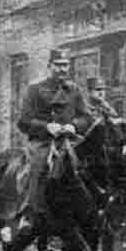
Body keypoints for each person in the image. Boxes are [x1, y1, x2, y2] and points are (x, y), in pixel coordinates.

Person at [17, 48, 93, 222]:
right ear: (49, 66)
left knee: (92, 162)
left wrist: (73, 125)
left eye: (65, 65)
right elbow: (23, 121)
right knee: (37, 167)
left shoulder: (74, 90)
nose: (62, 69)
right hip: (43, 142)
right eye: (58, 65)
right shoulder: (35, 89)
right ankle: (31, 213)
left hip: (69, 140)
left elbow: (87, 117)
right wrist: (47, 127)